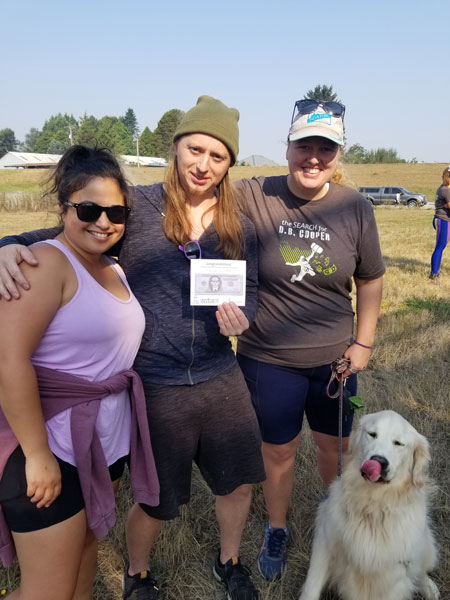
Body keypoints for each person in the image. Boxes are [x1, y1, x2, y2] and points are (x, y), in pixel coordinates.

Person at [0, 96, 265, 600]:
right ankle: (137, 573)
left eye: (217, 155)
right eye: (195, 149)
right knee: (156, 493)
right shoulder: (134, 208)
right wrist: (6, 245)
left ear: (229, 163)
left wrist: (243, 317)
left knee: (238, 480)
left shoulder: (238, 226)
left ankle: (230, 563)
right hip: (154, 383)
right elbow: (61, 233)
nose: (203, 164)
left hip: (218, 373)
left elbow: (248, 289)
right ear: (176, 148)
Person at [232, 99, 385, 581]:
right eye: (304, 145)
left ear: (338, 153)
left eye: (326, 148)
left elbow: (371, 278)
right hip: (268, 358)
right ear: (288, 146)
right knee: (278, 452)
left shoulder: (354, 207)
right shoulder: (254, 194)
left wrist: (363, 343)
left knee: (335, 447)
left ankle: (335, 517)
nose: (313, 158)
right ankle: (277, 527)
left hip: (335, 362)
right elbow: (183, 201)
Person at [0, 145, 159, 600]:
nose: (103, 222)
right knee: (47, 591)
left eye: (116, 212)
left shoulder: (112, 266)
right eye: (88, 209)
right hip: (49, 446)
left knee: (85, 558)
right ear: (63, 208)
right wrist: (37, 455)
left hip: (102, 442)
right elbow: (8, 360)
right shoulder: (46, 263)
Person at [430, 165, 450, 279]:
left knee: (440, 246)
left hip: (443, 220)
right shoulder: (446, 190)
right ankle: (434, 273)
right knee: (440, 246)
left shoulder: (442, 188)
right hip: (444, 220)